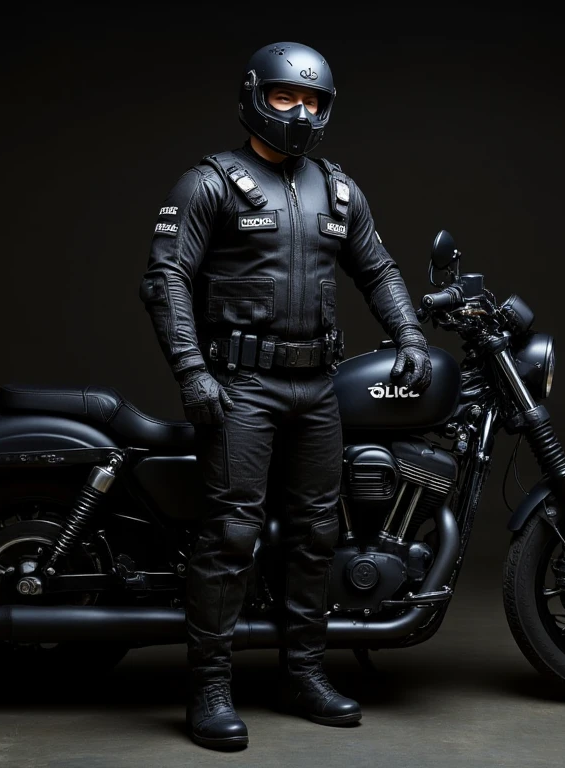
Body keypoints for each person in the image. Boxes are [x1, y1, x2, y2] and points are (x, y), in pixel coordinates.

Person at [138, 41, 433, 751]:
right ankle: (209, 689)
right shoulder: (210, 182)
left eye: (313, 101)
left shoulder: (338, 190)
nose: (299, 111)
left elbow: (380, 268)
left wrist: (410, 336)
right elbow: (165, 278)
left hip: (316, 386)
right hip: (240, 386)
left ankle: (305, 675)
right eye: (283, 97)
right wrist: (190, 370)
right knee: (232, 533)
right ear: (252, 97)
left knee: (315, 536)